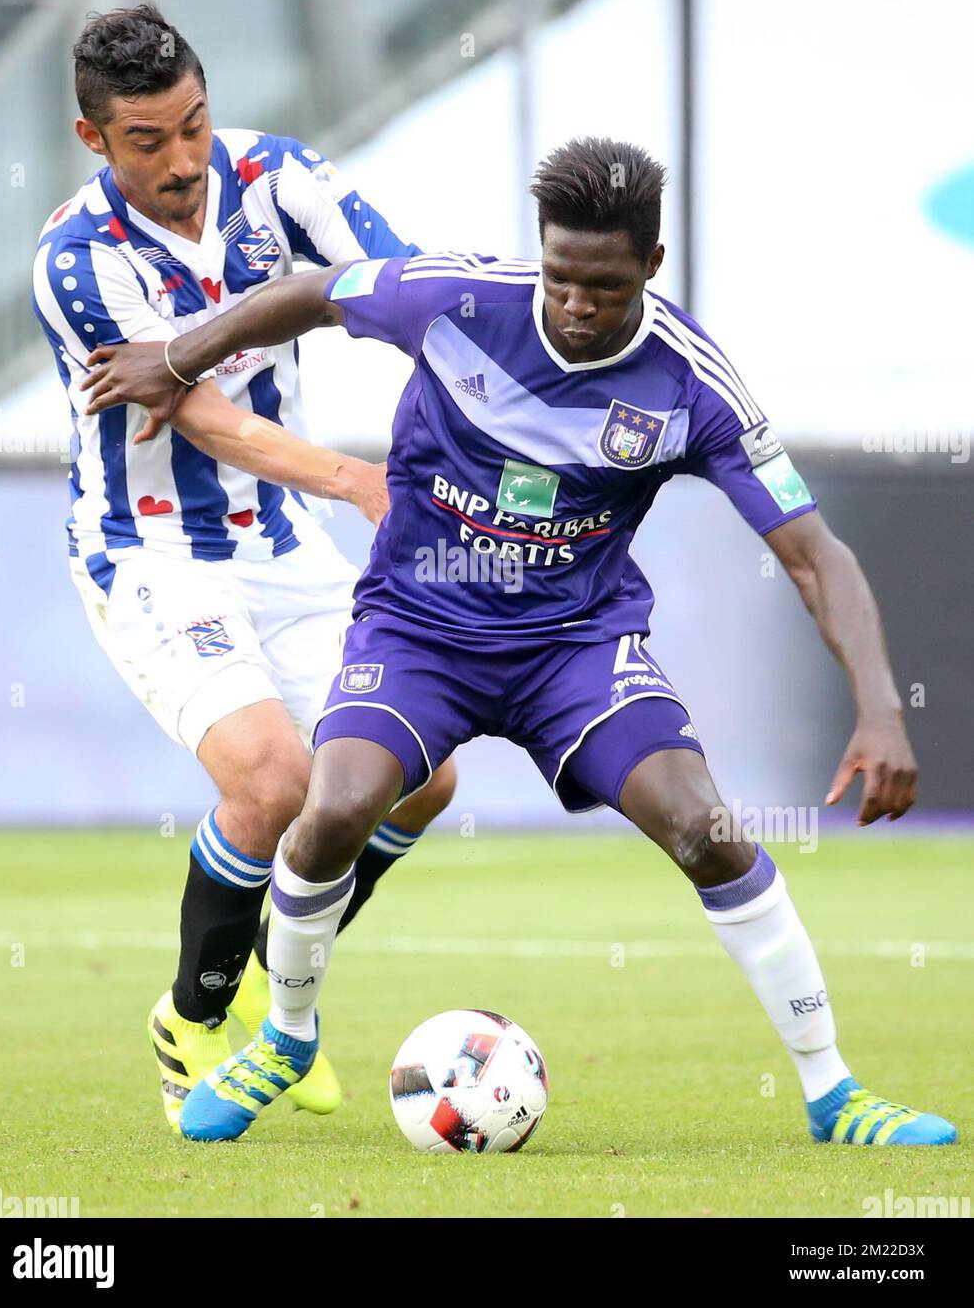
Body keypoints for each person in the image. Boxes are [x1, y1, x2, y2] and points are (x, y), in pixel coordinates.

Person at [82, 136, 955, 1148]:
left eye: (606, 287)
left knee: (707, 827)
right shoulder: (453, 297)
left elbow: (814, 553)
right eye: (562, 278)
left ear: (652, 269)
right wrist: (179, 354)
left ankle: (833, 1091)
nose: (577, 306)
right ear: (540, 255)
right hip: (421, 625)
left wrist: (883, 709)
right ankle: (284, 1034)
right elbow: (318, 291)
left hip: (573, 646)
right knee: (335, 807)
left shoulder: (692, 383)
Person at [31, 3, 455, 1134]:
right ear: (93, 139)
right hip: (154, 553)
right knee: (272, 785)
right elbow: (205, 416)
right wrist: (363, 482)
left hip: (285, 546)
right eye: (146, 141)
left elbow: (398, 286)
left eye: (193, 126)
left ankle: (277, 973)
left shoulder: (280, 180)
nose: (180, 162)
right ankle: (189, 1015)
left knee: (422, 775)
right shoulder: (77, 261)